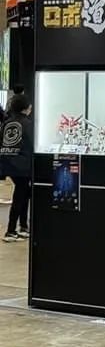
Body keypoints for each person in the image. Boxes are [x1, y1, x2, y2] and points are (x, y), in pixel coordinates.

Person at [1, 94, 33, 242]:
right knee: (20, 195)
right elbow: (31, 144)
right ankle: (11, 230)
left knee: (24, 192)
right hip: (22, 164)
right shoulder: (28, 124)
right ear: (26, 108)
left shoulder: (7, 123)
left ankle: (23, 226)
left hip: (7, 162)